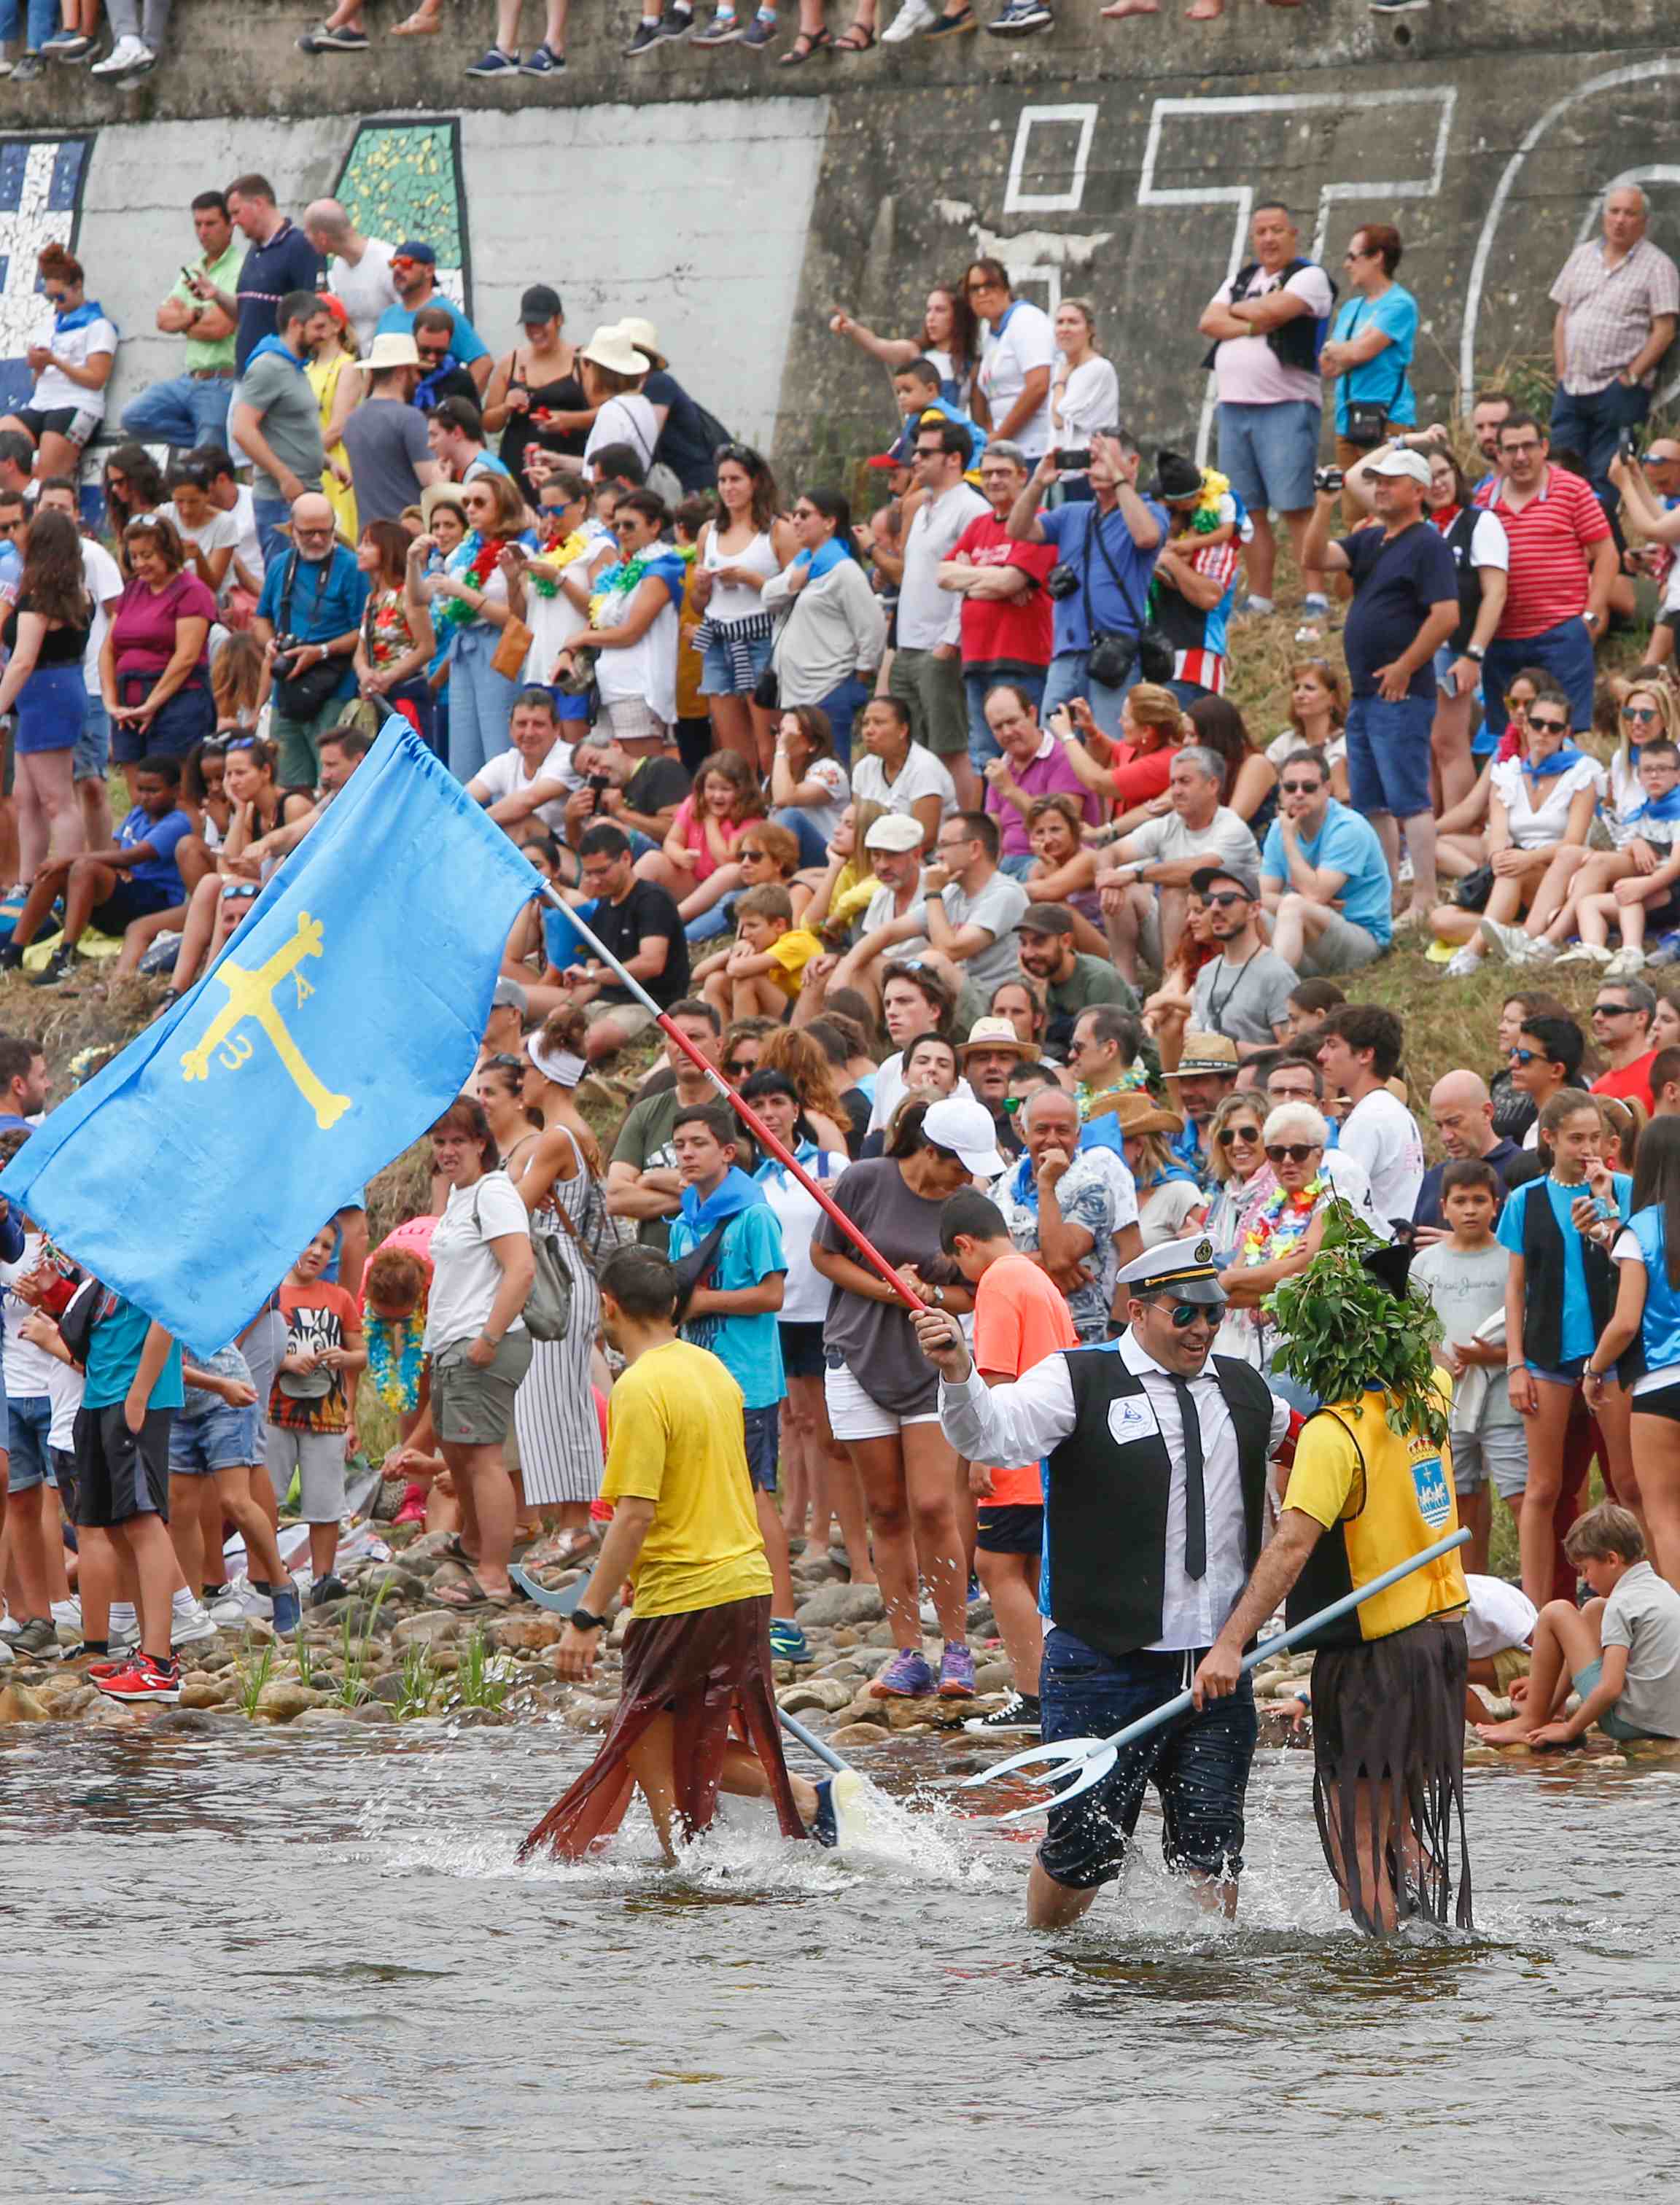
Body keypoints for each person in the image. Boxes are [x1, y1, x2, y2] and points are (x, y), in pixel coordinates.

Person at [917, 1234, 1291, 1928]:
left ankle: (1210, 1986)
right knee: (1083, 1847)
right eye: (1185, 1313)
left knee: (1212, 1845)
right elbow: (991, 1437)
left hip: (1214, 1662)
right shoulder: (1075, 1378)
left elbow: (1313, 1454)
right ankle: (1044, 1961)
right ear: (1138, 1310)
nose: (1204, 1328)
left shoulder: (1247, 1391)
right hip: (1099, 1658)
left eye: (1213, 1311)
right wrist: (959, 1373)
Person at [1194, 1239, 1471, 1935]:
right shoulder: (1429, 1395)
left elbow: (1290, 1546)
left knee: (1358, 1829)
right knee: (1403, 1820)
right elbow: (1439, 1361)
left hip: (1376, 1650)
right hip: (1441, 1643)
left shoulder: (1332, 1433)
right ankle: (1433, 1951)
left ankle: (1383, 1969)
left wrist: (1230, 1646)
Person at [521, 1248, 832, 1866]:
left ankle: (759, 1823)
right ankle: (689, 1854)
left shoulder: (638, 1387)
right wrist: (638, 1576)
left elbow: (634, 1514)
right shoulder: (712, 1368)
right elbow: (718, 1482)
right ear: (671, 1306)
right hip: (743, 1583)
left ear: (608, 1306)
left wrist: (586, 1617)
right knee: (663, 1726)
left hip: (691, 1591)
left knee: (641, 1728)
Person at [811, 1096, 1001, 1698]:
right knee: (887, 1510)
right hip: (857, 1355)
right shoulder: (865, 1181)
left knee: (932, 1506)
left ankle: (957, 1649)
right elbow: (824, 1255)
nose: (966, 1178)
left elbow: (978, 1291)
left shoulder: (968, 1208)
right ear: (930, 1151)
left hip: (931, 1363)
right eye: (959, 1165)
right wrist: (887, 1291)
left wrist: (932, 1298)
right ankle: (906, 1651)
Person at [661, 1102, 806, 1657]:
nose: (687, 1155)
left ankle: (785, 1622)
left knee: (752, 1493)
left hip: (746, 1378)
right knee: (707, 1494)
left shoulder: (752, 1215)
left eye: (698, 1144)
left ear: (727, 1150)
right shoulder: (686, 1216)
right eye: (680, 1145)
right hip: (698, 1371)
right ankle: (723, 1611)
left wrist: (703, 1302)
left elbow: (774, 1294)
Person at [932, 1189, 1076, 1741]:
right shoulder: (1040, 1279)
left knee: (995, 1565)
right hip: (1051, 1447)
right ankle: (1053, 1685)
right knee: (1035, 1569)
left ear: (964, 1246)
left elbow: (991, 1376)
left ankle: (1034, 1692)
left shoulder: (995, 1282)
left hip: (1014, 1448)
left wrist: (977, 1456)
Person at [1302, 446, 1458, 921]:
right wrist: (1326, 506)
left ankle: (1426, 894)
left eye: (1391, 480)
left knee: (1409, 797)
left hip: (1400, 692)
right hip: (1368, 694)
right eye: (1378, 481)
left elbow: (1446, 615)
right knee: (1373, 802)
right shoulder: (1372, 540)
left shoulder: (1427, 543)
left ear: (1418, 491)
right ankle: (1391, 893)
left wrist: (1407, 665)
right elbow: (1312, 557)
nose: (1381, 487)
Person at [1498, 1086, 1636, 1611]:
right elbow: (1514, 1287)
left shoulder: (1621, 1187)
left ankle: (1639, 1597)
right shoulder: (1525, 1199)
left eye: (1595, 1138)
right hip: (1547, 1355)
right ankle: (1535, 1616)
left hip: (1615, 1352)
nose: (1587, 1149)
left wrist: (1607, 1213)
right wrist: (1515, 1363)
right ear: (1550, 1139)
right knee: (1543, 1487)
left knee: (1625, 1481)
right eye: (1576, 1138)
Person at [395, 1100, 534, 1607]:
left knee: (483, 1460)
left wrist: (489, 1338)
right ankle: (476, 1543)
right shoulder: (460, 1196)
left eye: (458, 1140)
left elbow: (520, 1268)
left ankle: (494, 1575)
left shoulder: (494, 1193)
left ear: (482, 1142)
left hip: (484, 1343)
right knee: (456, 1454)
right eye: (440, 1142)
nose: (449, 1151)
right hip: (454, 1343)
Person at [486, 1032, 606, 1556]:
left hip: (558, 1278)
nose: (523, 1081)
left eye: (530, 1071)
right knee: (566, 1398)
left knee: (552, 1402)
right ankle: (573, 1522)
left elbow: (515, 1206)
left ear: (549, 1076)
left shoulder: (557, 1138)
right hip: (574, 1275)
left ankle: (573, 1523)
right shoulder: (574, 1131)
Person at [1196, 201, 1334, 620]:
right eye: (1261, 232)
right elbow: (1208, 321)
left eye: (1277, 230)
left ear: (1294, 234)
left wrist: (1248, 313)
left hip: (1286, 405)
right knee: (1247, 508)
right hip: (1235, 407)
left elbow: (1277, 309)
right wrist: (1254, 321)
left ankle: (1315, 595)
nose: (1269, 239)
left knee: (1294, 505)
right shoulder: (1241, 279)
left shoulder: (1309, 277)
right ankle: (1260, 596)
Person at [65, 1283, 187, 1706]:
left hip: (136, 1397)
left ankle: (159, 1660)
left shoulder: (157, 1242)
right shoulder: (108, 1241)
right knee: (115, 1528)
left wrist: (139, 1394)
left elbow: (167, 1313)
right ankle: (145, 1652)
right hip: (100, 1393)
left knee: (143, 1519)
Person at [1437, 685, 1606, 978]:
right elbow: (1498, 833)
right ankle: (1520, 934)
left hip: (1556, 874)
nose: (1544, 732)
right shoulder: (1509, 772)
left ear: (1566, 732)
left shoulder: (1582, 773)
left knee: (1514, 868)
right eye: (1538, 724)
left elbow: (1573, 843)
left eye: (1553, 728)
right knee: (1441, 920)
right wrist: (1498, 857)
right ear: (1525, 725)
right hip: (1511, 873)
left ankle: (1472, 952)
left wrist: (1526, 859)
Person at [1006, 429, 1166, 738]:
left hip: (1115, 655)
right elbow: (1017, 529)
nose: (1096, 467)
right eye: (1091, 459)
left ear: (1133, 462)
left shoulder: (1149, 511)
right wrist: (1038, 482)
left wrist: (1119, 479)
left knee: (1110, 745)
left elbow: (1146, 537)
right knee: (1053, 749)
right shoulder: (1072, 514)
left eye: (1104, 458)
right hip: (1066, 654)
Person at [1479, 1504, 1680, 1749]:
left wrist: (1569, 1730)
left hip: (1630, 1722)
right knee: (1594, 1609)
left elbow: (1611, 1688)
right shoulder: (1663, 1591)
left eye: (1585, 1569)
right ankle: (1546, 1709)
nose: (1585, 1579)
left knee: (1556, 1612)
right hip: (1669, 1720)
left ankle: (1530, 1720)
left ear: (1612, 1559)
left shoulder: (1621, 1604)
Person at [1412, 1159, 1525, 1574]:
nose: (1471, 1210)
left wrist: (1492, 1357)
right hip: (1448, 1399)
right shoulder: (1426, 1264)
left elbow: (1524, 1326)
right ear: (1444, 1207)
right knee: (1460, 1494)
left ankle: (1531, 1599)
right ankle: (1470, 1589)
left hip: (1503, 1397)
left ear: (1496, 1205)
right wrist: (1438, 1358)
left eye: (1480, 1200)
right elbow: (1414, 1326)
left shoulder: (1510, 1258)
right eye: (1461, 1201)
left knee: (1519, 1493)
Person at [1, 755, 191, 987]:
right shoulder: (138, 814)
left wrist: (69, 858)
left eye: (153, 790)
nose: (145, 797)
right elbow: (116, 850)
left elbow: (131, 856)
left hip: (154, 903)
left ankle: (65, 956)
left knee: (82, 868)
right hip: (125, 894)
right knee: (54, 873)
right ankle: (13, 951)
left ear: (175, 790)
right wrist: (113, 865)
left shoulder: (178, 822)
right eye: (140, 789)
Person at [1479, 413, 1617, 736]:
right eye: (1511, 449)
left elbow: (1607, 553)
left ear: (1544, 447)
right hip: (1502, 639)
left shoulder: (1572, 489)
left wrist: (1592, 617)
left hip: (1561, 636)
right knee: (1509, 735)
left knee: (1562, 732)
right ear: (1498, 454)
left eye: (1528, 446)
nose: (1521, 457)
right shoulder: (1484, 500)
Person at [1549, 187, 1679, 509]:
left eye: (1629, 213)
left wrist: (1631, 377)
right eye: (1614, 211)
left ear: (1644, 221)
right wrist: (1562, 371)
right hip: (1573, 386)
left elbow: (1665, 329)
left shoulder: (1657, 266)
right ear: (1604, 216)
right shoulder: (1581, 256)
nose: (1620, 220)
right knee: (1560, 473)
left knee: (1606, 479)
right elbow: (1563, 314)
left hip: (1617, 390)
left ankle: (1607, 554)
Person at [887, 416, 989, 806]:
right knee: (910, 750)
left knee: (951, 747)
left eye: (926, 452)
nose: (915, 459)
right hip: (910, 643)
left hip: (940, 646)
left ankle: (966, 831)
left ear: (954, 459)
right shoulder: (926, 507)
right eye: (916, 452)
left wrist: (951, 640)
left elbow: (971, 581)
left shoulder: (971, 508)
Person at [1098, 746, 1261, 987]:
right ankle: (1129, 989)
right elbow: (1109, 852)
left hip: (1227, 941)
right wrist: (1108, 880)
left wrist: (1135, 875)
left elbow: (1199, 870)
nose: (1175, 791)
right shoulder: (1168, 824)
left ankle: (1172, 983)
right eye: (1173, 783)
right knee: (1121, 891)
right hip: (1182, 937)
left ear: (1212, 786)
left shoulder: (1231, 827)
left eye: (1184, 782)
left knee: (1176, 891)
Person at [266, 1221, 365, 1607]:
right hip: (275, 1413)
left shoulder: (339, 1298)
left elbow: (361, 1353)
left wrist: (344, 1357)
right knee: (267, 1497)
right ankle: (267, 1575)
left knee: (325, 1501)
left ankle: (325, 1577)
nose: (317, 1252)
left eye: (326, 1246)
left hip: (326, 1415)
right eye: (310, 1241)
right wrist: (286, 1362)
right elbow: (253, 1351)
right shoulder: (271, 1294)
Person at [938, 441, 1055, 771]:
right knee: (984, 758)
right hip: (976, 659)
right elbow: (943, 575)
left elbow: (1010, 584)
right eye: (987, 474)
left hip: (1022, 658)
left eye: (1003, 473)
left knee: (1026, 754)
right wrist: (994, 579)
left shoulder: (1040, 523)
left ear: (1023, 476)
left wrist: (972, 580)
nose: (993, 481)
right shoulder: (979, 526)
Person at [993, 1082, 1132, 1343]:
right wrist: (1038, 1262)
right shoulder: (1002, 1188)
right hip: (1014, 1326)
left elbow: (1058, 1258)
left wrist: (1047, 1184)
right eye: (1042, 1130)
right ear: (1023, 1133)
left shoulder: (1094, 1190)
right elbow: (980, 1260)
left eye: (1063, 1131)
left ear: (1078, 1136)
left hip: (1076, 1332)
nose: (1052, 1139)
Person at [761, 488, 885, 764]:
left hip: (828, 692)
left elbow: (873, 631)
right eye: (794, 515)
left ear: (829, 522)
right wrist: (797, 578)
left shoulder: (843, 570)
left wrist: (856, 680)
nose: (795, 521)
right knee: (799, 773)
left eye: (804, 515)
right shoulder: (804, 561)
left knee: (830, 777)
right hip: (795, 693)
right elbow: (768, 596)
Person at [0, 508, 92, 879]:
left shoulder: (39, 599)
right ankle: (28, 881)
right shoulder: (77, 593)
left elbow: (23, 660)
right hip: (55, 692)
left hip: (44, 695)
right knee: (26, 797)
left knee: (57, 799)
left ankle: (68, 882)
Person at [253, 491, 368, 788]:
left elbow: (364, 629)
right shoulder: (280, 565)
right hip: (287, 689)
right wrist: (270, 645)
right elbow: (261, 617)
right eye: (308, 533)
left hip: (334, 689)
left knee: (332, 782)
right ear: (292, 530)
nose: (317, 540)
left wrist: (322, 651)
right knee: (288, 786)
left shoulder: (351, 567)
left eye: (325, 532)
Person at [692, 444, 794, 773]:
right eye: (722, 481)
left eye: (736, 479)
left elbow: (796, 596)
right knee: (734, 750)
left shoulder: (778, 531)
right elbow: (698, 605)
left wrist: (752, 580)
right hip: (719, 638)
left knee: (769, 746)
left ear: (755, 482)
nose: (728, 488)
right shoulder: (708, 532)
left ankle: (772, 809)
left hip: (761, 637)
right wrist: (703, 586)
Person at [120, 190, 244, 452]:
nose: (203, 232)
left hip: (222, 379)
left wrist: (185, 318)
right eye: (197, 224)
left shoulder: (241, 268)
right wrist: (197, 314)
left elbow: (220, 327)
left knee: (205, 465)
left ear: (230, 226)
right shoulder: (194, 267)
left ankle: (217, 444)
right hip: (190, 378)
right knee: (134, 416)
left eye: (210, 224)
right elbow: (163, 320)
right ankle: (221, 442)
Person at [555, 822, 690, 1059]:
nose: (595, 881)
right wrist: (567, 1009)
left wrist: (592, 976)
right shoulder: (603, 909)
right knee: (549, 1033)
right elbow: (592, 977)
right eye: (589, 873)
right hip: (604, 1002)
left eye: (603, 871)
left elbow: (651, 964)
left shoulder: (652, 900)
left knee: (588, 1042)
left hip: (650, 1004)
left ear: (627, 858)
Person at [1261, 748, 1393, 976]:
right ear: (1281, 792)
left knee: (1293, 904)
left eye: (1309, 787)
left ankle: (1273, 990)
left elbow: (1313, 896)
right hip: (1313, 938)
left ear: (1327, 790)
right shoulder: (1278, 829)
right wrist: (1311, 904)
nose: (1299, 794)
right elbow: (1263, 898)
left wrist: (1290, 842)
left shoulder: (1349, 827)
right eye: (1290, 787)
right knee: (1252, 914)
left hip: (1363, 938)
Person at [608, 999, 723, 1253]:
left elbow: (730, 1190)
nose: (684, 1046)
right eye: (676, 1038)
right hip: (655, 1269)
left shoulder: (738, 1110)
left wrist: (651, 1178)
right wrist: (693, 1193)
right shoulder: (647, 1111)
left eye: (695, 1037)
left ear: (719, 1046)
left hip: (723, 1264)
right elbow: (616, 1197)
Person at [230, 288, 329, 575]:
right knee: (287, 584)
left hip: (307, 493)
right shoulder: (268, 368)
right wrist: (285, 477)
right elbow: (242, 429)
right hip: (280, 501)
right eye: (318, 327)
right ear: (296, 324)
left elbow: (289, 431)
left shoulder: (295, 368)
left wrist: (328, 463)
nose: (324, 335)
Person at [0, 245, 115, 483]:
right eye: (49, 298)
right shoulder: (50, 325)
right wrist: (38, 365)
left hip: (77, 406)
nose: (55, 304)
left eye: (60, 297)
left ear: (78, 286)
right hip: (42, 404)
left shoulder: (98, 326)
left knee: (48, 478)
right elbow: (36, 380)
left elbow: (96, 378)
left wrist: (55, 361)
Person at [1147, 450, 1245, 704]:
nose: (1160, 520)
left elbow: (1210, 596)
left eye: (1168, 513)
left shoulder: (1215, 545)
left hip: (1193, 664)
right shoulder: (1148, 545)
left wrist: (1171, 561)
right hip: (1150, 664)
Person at [1319, 225, 1417, 476]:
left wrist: (1339, 349)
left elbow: (1358, 353)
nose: (1346, 265)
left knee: (1388, 504)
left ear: (1377, 257)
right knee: (1353, 511)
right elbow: (1328, 366)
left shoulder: (1399, 304)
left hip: (1388, 422)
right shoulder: (1351, 309)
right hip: (1348, 422)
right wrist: (1347, 350)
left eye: (1353, 256)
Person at [1314, 1006, 1425, 1226]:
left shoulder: (1368, 1118)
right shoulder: (1393, 1111)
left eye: (1332, 1045)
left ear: (1365, 1055)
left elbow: (1339, 1204)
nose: (1321, 1055)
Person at [482, 285, 592, 494]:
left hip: (566, 465)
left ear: (559, 320)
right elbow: (489, 423)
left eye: (542, 324)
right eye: (529, 325)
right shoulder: (511, 362)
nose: (535, 331)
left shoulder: (581, 361)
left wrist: (568, 420)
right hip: (519, 464)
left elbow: (604, 412)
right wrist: (506, 407)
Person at [979, 684, 1101, 870]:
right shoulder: (1000, 768)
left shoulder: (1064, 757)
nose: (1007, 733)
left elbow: (1063, 826)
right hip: (1008, 865)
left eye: (1012, 722)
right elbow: (994, 836)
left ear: (1032, 714)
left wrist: (1010, 790)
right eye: (997, 727)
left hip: (1056, 863)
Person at [1187, 864, 1297, 1054]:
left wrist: (1235, 1051)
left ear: (1254, 909)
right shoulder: (1207, 973)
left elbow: (1295, 1052)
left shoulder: (1277, 975)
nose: (1214, 908)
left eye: (1226, 900)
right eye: (1208, 900)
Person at [339, 332, 440, 525]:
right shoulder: (410, 418)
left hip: (369, 539)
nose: (418, 380)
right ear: (402, 372)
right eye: (415, 371)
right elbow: (433, 483)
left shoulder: (352, 421)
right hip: (406, 537)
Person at [1412, 1071, 1531, 1234]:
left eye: (1454, 1123)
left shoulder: (1525, 1174)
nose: (1446, 1136)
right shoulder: (1433, 1179)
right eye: (1439, 1126)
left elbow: (1536, 1251)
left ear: (1487, 1113)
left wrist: (1460, 1247)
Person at [965, 258, 1055, 462]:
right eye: (974, 288)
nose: (982, 293)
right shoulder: (990, 332)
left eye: (990, 285)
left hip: (1034, 451)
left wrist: (999, 437)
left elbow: (1038, 386)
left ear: (1006, 289)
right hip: (1006, 453)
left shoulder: (1026, 320)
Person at [374, 243, 492, 394]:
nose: (397, 269)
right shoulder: (388, 315)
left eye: (406, 264)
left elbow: (483, 363)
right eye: (394, 264)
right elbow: (374, 371)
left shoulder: (444, 312)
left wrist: (460, 405)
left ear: (429, 270)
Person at [1017, 906, 1137, 1049]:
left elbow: (1111, 1048)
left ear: (1066, 942)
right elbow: (1033, 1048)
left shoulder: (1099, 978)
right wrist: (1039, 998)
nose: (1029, 953)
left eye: (1039, 943)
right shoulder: (1031, 980)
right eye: (1024, 943)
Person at [848, 694, 955, 847]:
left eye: (879, 723)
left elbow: (925, 838)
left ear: (903, 730)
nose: (868, 731)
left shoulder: (925, 768)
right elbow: (858, 825)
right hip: (875, 857)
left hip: (924, 860)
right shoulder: (863, 768)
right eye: (865, 723)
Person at [300, 198, 399, 354]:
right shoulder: (339, 267)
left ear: (322, 238)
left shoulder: (387, 263)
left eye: (308, 232)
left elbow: (414, 316)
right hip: (363, 365)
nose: (305, 237)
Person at [1588, 981, 1660, 1111]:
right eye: (1594, 1011)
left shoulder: (1664, 1073)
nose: (1597, 1018)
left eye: (1610, 1010)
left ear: (1641, 1018)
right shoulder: (1597, 1090)